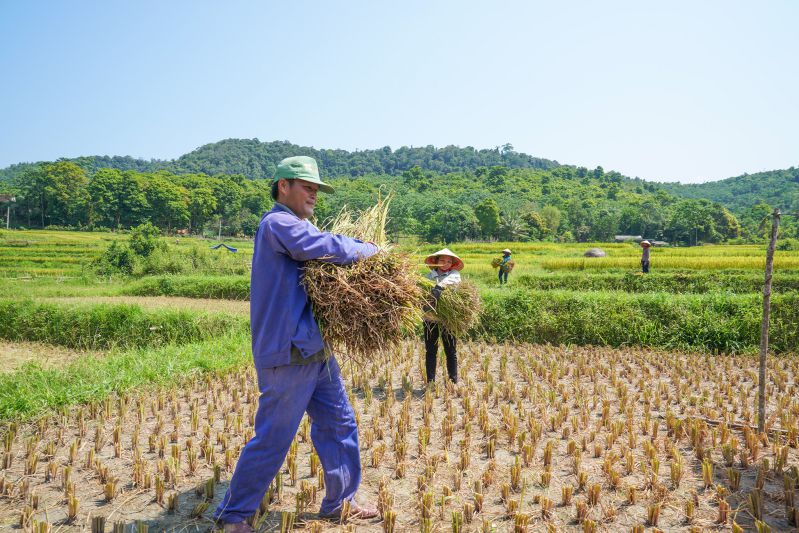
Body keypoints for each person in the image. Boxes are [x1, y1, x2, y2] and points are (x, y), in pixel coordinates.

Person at [214, 156, 379, 532]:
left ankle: (342, 500)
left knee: (339, 422)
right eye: (308, 187)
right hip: (288, 352)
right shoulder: (278, 224)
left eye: (317, 190)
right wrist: (369, 250)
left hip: (314, 348)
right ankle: (234, 515)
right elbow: (321, 245)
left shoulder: (294, 224)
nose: (314, 195)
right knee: (273, 437)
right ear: (283, 186)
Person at [423, 248, 464, 384]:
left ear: (452, 264)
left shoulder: (455, 274)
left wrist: (439, 287)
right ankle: (430, 382)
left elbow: (452, 281)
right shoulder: (428, 277)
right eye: (442, 260)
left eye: (448, 261)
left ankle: (453, 381)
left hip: (449, 320)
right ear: (436, 262)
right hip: (430, 318)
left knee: (450, 350)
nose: (445, 263)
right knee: (431, 350)